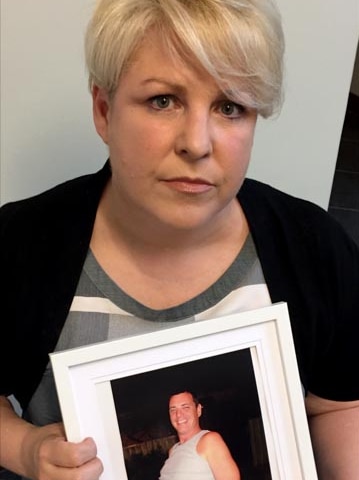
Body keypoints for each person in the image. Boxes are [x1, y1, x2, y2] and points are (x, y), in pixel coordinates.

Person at [0, 0, 358, 479]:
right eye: (162, 100)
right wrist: (25, 449)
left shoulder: (314, 249)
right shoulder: (19, 245)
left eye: (230, 107)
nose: (197, 142)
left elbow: (338, 405)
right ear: (104, 110)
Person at [159, 391, 240, 480]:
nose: (178, 415)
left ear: (198, 410)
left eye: (185, 407)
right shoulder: (173, 450)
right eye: (173, 410)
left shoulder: (209, 441)